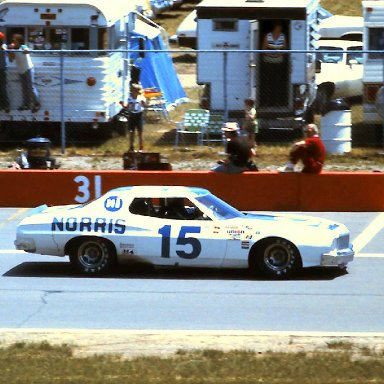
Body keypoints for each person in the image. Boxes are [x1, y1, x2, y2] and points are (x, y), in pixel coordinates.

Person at [8, 33, 40, 112]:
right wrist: (10, 51)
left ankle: (37, 104)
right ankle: (26, 104)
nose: (13, 41)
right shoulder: (13, 49)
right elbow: (11, 59)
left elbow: (27, 51)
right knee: (24, 89)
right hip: (21, 71)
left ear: (18, 41)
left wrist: (25, 50)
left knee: (31, 88)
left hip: (28, 69)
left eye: (14, 40)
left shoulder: (22, 47)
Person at [261, 21, 287, 106]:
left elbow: (285, 48)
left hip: (279, 62)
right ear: (275, 27)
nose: (280, 28)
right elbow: (263, 48)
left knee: (277, 82)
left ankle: (277, 102)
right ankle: (267, 102)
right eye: (278, 26)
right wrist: (269, 53)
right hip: (268, 61)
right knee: (268, 82)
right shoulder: (268, 36)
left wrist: (280, 53)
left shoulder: (282, 36)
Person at [127, 83, 146, 151]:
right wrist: (123, 105)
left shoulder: (141, 97)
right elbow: (127, 106)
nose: (136, 92)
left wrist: (143, 103)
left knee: (140, 132)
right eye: (135, 91)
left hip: (139, 115)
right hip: (131, 115)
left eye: (138, 91)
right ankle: (131, 147)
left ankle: (141, 147)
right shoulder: (129, 98)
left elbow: (144, 104)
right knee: (131, 132)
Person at [0, 32, 10, 113]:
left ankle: (6, 105)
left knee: (3, 88)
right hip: (2, 69)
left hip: (2, 69)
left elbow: (5, 49)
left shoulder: (4, 46)